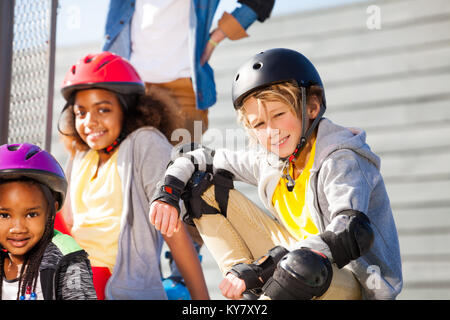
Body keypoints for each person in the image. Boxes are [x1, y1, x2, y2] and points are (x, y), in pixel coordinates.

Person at [149, 48, 403, 300]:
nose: (271, 131)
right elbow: (197, 158)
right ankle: (247, 294)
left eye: (279, 115)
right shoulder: (271, 159)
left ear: (312, 107)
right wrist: (168, 193)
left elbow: (351, 232)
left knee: (300, 264)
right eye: (259, 123)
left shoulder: (340, 159)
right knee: (201, 186)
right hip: (291, 265)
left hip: (348, 283)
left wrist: (264, 267)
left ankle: (259, 286)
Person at [57, 51, 209, 300]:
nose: (89, 122)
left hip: (113, 282)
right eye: (80, 113)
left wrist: (202, 301)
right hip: (72, 275)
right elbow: (66, 226)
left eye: (103, 110)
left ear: (128, 110)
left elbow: (173, 230)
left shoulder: (144, 143)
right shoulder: (81, 156)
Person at [102, 0, 275, 142]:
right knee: (133, 171)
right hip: (134, 89)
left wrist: (215, 38)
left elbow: (259, 3)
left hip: (184, 90)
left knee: (180, 171)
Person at [0, 143, 97, 300]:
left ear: (51, 211)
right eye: (4, 215)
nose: (17, 228)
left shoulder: (66, 258)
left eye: (31, 214)